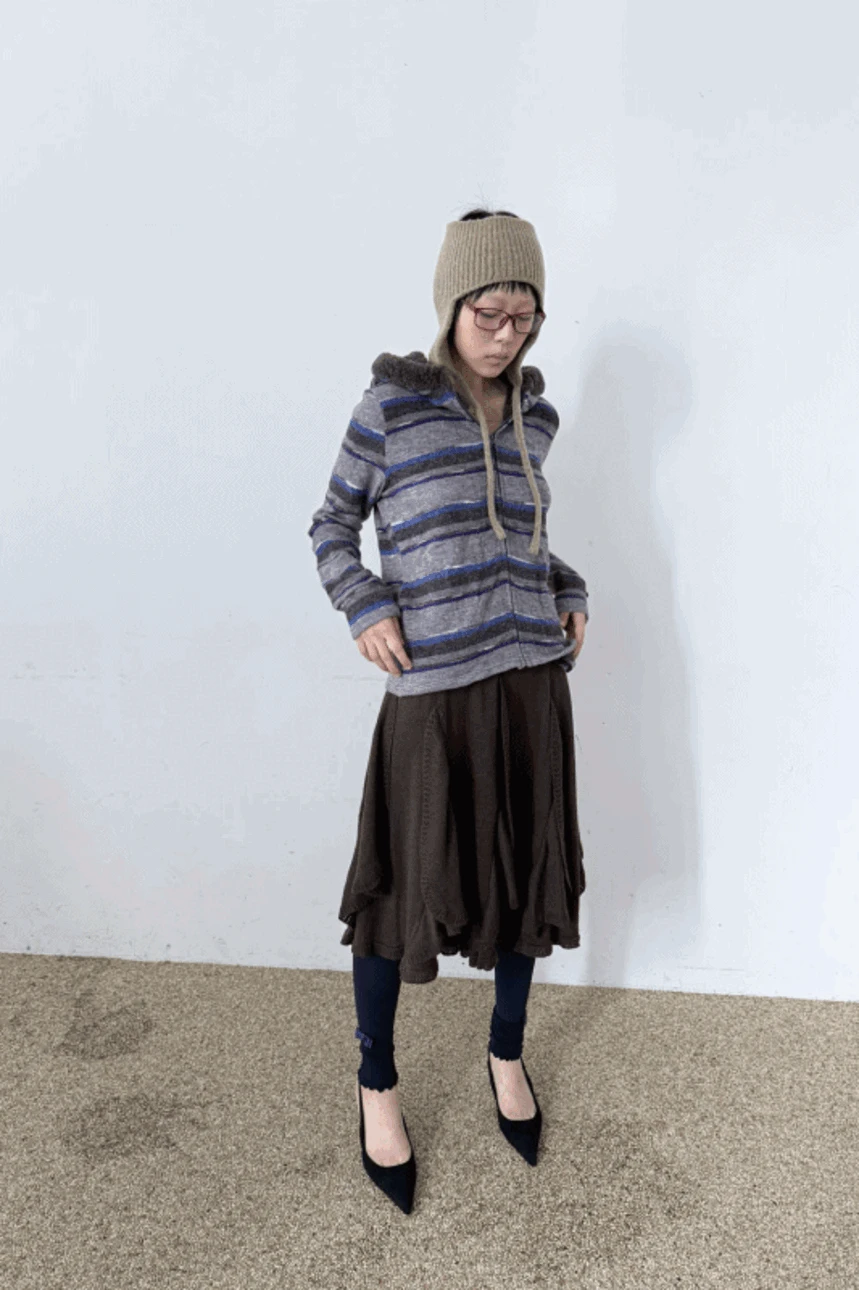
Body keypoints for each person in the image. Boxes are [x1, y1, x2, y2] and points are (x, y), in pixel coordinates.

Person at [307, 208, 589, 1213]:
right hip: (432, 698)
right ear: (450, 304)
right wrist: (364, 602)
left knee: (524, 880)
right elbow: (331, 523)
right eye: (488, 312)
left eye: (524, 315)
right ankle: (375, 1081)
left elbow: (521, 538)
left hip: (530, 686)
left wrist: (567, 587)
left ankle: (505, 1053)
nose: (506, 333)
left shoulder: (534, 420)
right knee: (397, 896)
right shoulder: (391, 407)